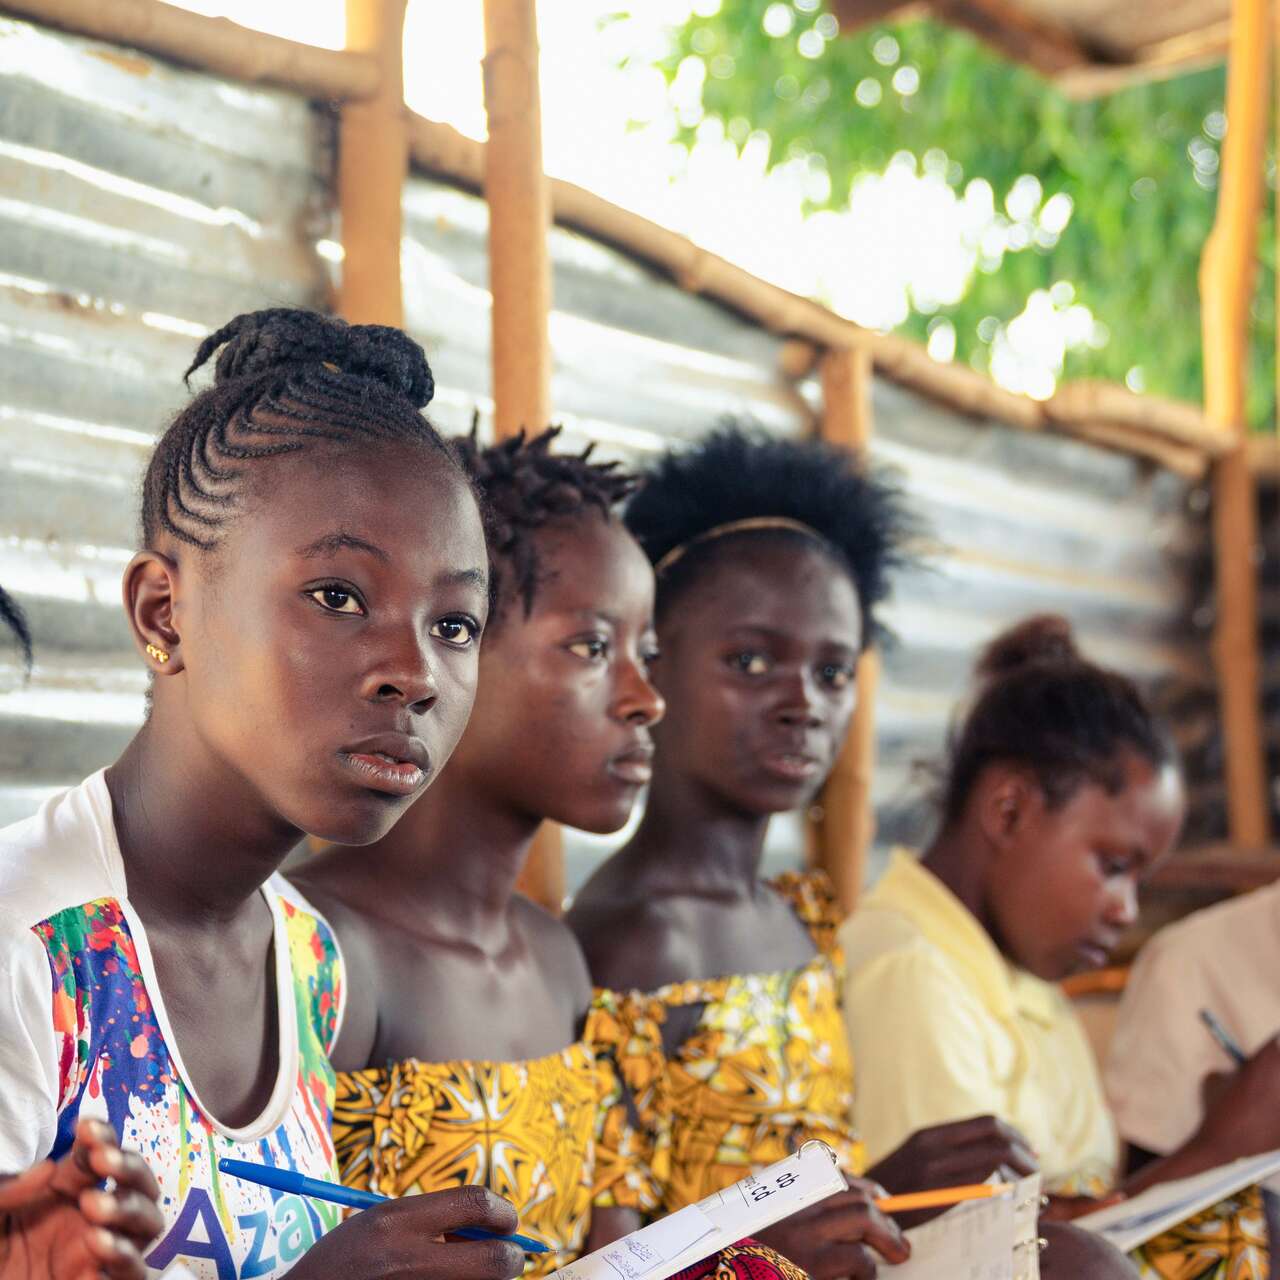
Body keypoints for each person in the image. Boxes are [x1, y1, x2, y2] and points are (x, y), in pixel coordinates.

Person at [0, 309, 526, 1280]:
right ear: (166, 612)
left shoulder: (307, 956)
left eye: (454, 621)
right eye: (337, 595)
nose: (413, 672)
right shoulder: (28, 947)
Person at [568, 426, 1021, 1280]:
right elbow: (614, 1263)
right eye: (749, 660)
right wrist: (884, 1189)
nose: (802, 704)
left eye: (833, 672)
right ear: (647, 664)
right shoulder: (625, 944)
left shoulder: (800, 913)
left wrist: (897, 1190)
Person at [840, 614, 1272, 1277]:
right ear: (1008, 812)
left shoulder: (1024, 978)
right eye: (1113, 865)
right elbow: (967, 1257)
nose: (1127, 910)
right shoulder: (909, 971)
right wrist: (1216, 1150)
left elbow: (1069, 1212)